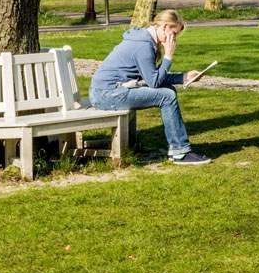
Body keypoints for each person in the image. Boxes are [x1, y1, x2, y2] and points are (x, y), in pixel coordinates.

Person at [90, 10, 211, 165]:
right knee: (167, 95)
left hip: (109, 91)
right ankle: (180, 152)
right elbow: (154, 82)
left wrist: (184, 77)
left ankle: (178, 149)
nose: (174, 39)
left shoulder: (145, 40)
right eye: (174, 33)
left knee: (168, 91)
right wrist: (168, 56)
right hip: (107, 95)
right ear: (165, 27)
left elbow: (151, 77)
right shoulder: (143, 46)